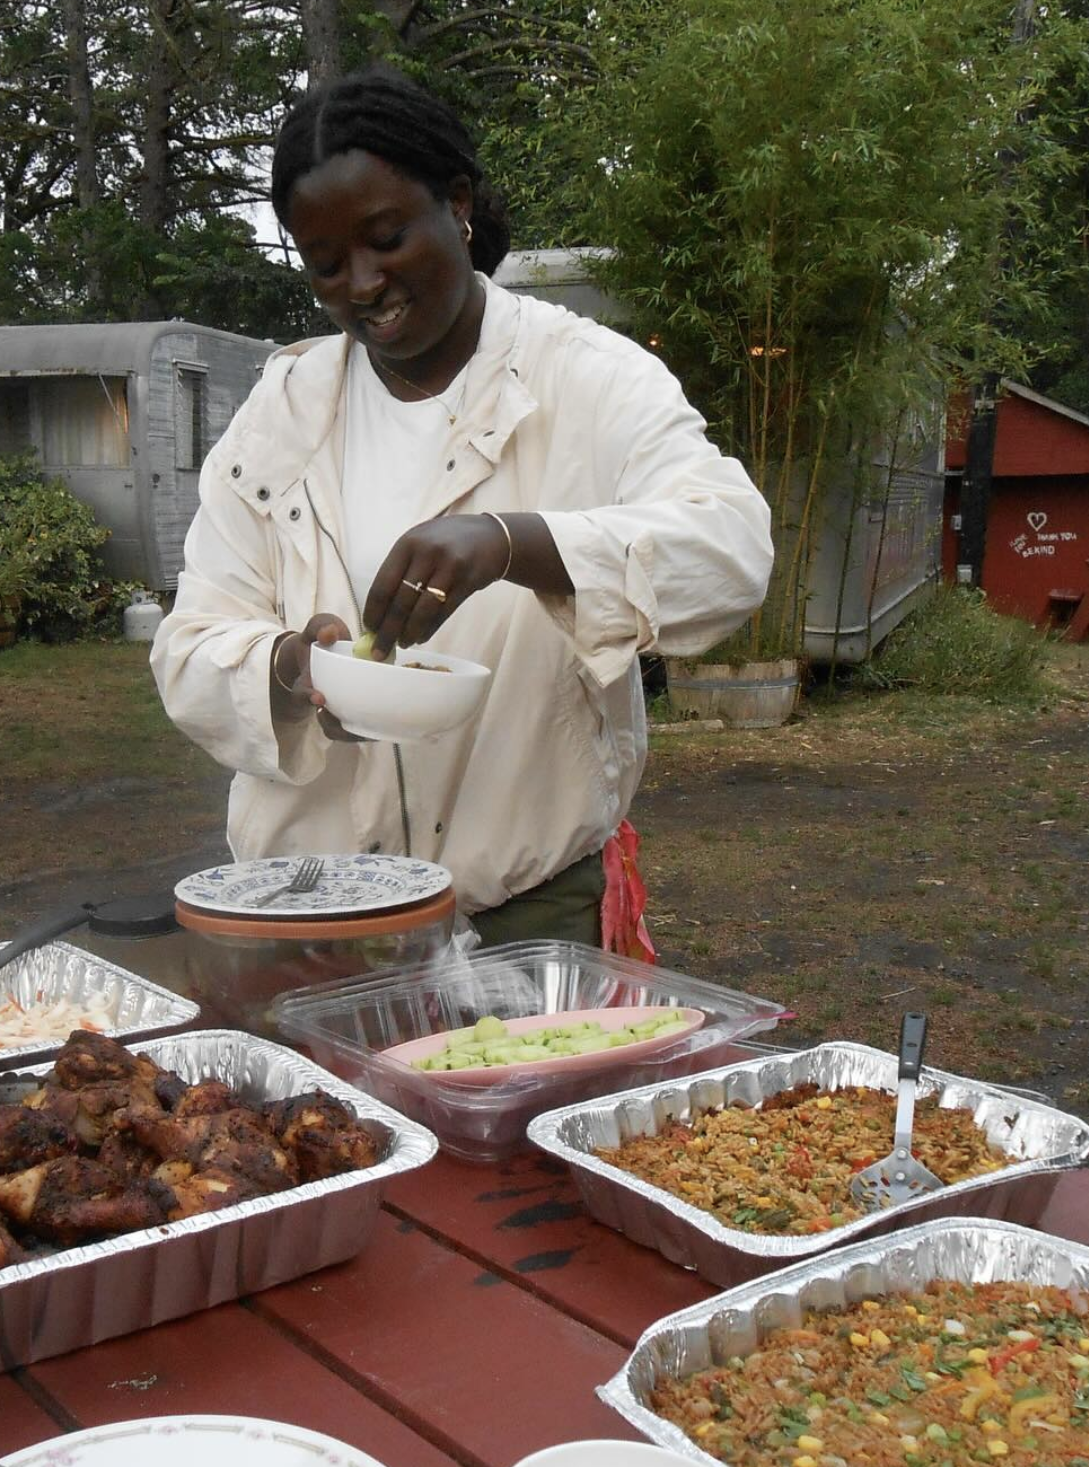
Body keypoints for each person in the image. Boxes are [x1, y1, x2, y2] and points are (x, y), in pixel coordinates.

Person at [149, 65, 773, 949]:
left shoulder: (586, 378)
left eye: (387, 239)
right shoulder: (280, 414)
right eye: (326, 264)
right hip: (309, 915)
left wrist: (516, 545)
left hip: (528, 909)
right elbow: (189, 647)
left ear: (458, 204)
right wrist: (290, 668)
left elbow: (733, 550)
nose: (363, 283)